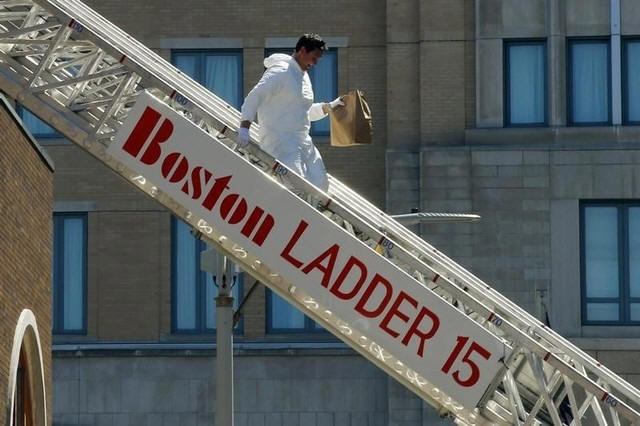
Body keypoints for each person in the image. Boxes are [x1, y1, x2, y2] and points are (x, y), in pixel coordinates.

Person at [238, 33, 344, 192]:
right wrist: (244, 127)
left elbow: (303, 112)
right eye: (314, 57)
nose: (315, 63)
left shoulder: (303, 77)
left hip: (302, 140)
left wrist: (329, 107)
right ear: (303, 50)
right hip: (280, 140)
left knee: (320, 185)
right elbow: (255, 96)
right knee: (295, 186)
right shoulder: (280, 72)